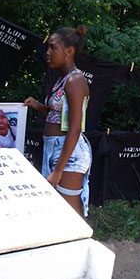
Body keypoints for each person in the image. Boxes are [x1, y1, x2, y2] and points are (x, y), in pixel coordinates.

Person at [24, 25, 91, 218]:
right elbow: (59, 118)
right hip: (55, 149)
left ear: (68, 52)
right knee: (57, 212)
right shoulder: (63, 80)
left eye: (53, 48)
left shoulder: (75, 81)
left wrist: (58, 170)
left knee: (69, 215)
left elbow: (75, 128)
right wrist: (37, 106)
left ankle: (81, 247)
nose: (48, 52)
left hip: (68, 154)